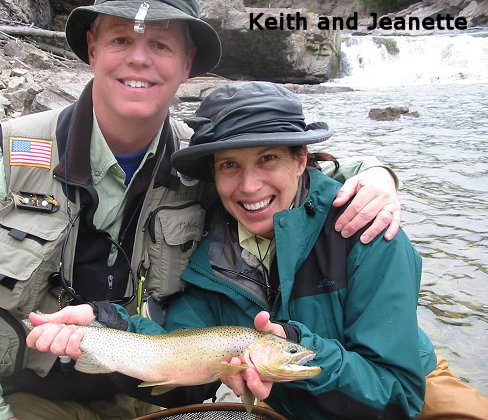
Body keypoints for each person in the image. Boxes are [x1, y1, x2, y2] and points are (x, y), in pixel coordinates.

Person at [0, 1, 402, 419]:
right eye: (120, 39)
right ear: (91, 49)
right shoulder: (4, 156)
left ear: (187, 63)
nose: (139, 58)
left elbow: (292, 178)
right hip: (12, 397)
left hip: (142, 394)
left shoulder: (207, 161)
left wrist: (378, 174)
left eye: (160, 44)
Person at [27, 81, 488, 419]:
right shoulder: (202, 249)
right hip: (286, 402)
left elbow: (397, 395)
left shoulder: (365, 225)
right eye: (230, 166)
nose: (249, 186)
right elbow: (175, 353)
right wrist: (106, 325)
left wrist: (301, 348)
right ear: (214, 174)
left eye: (268, 158)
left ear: (301, 158)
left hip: (401, 386)